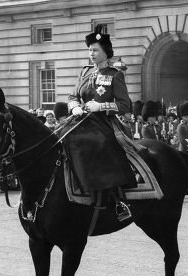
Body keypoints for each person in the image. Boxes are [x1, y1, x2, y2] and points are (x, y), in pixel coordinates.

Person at [65, 24, 137, 221]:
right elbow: (72, 95)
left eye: (96, 50)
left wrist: (102, 107)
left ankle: (117, 199)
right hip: (79, 120)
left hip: (102, 123)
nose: (92, 54)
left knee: (98, 144)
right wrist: (74, 107)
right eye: (90, 50)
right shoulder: (84, 72)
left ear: (106, 52)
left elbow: (124, 105)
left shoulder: (115, 75)